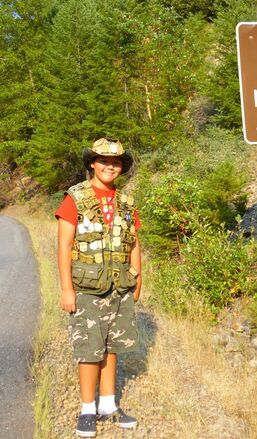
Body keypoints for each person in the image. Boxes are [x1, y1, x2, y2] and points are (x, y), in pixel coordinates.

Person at [55, 138, 142, 437]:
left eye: (116, 162)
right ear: (92, 163)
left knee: (112, 346)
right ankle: (87, 409)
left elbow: (134, 243)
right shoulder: (75, 199)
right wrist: (67, 289)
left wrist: (137, 280)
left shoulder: (126, 203)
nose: (110, 166)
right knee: (89, 349)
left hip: (120, 288)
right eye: (104, 161)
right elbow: (64, 246)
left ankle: (108, 405)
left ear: (121, 168)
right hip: (87, 289)